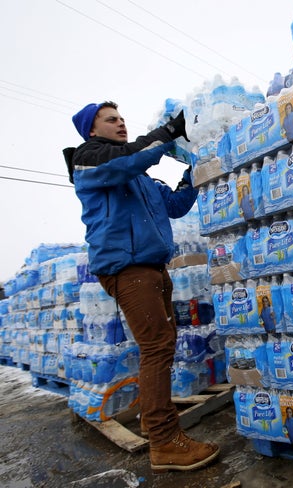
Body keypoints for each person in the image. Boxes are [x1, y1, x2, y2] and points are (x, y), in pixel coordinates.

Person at [64, 101, 219, 473]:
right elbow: (132, 159)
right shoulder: (90, 161)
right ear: (91, 130)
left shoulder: (141, 177)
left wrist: (192, 170)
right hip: (127, 269)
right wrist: (167, 133)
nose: (120, 123)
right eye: (110, 119)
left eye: (121, 118)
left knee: (162, 346)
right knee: (156, 346)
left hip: (152, 268)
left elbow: (177, 205)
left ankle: (157, 428)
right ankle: (164, 442)